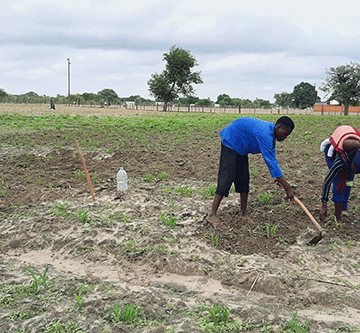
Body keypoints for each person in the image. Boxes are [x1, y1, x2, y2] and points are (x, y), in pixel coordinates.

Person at [206, 116, 296, 227]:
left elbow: (272, 160)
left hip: (242, 147)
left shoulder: (271, 135)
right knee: (227, 176)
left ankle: (243, 213)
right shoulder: (265, 134)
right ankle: (212, 214)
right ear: (278, 127)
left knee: (244, 178)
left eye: (288, 135)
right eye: (285, 134)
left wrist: (279, 178)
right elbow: (271, 163)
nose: (285, 137)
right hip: (231, 140)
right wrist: (287, 188)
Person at [319, 125, 360, 223]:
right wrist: (324, 205)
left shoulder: (357, 156)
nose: (356, 173)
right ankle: (337, 216)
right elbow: (327, 182)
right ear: (352, 163)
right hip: (334, 151)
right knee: (339, 182)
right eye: (355, 170)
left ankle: (343, 207)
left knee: (349, 180)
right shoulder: (340, 161)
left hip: (350, 146)